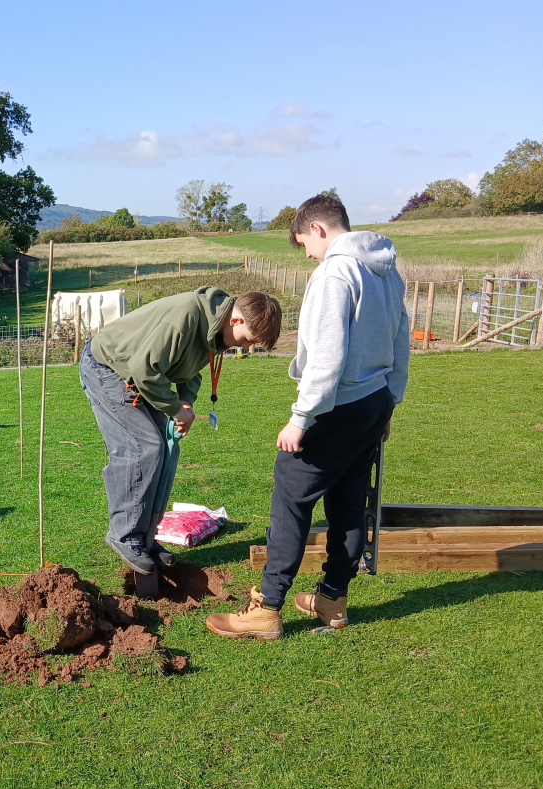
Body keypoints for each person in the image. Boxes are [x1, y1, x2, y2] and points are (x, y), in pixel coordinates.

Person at [206, 194, 410, 640]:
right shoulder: (387, 270)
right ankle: (333, 598)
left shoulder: (335, 273)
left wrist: (301, 417)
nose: (307, 253)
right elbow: (400, 341)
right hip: (373, 401)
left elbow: (326, 356)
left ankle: (267, 607)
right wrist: (389, 402)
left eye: (303, 243)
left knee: (291, 502)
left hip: (336, 405)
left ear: (317, 228)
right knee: (349, 501)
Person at [81, 287, 283, 575]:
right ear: (236, 321)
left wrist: (185, 400)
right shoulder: (186, 316)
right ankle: (124, 535)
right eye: (250, 340)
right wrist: (175, 409)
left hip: (142, 375)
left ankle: (146, 538)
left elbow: (190, 368)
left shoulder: (214, 328)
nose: (248, 348)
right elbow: (144, 369)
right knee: (142, 448)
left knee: (164, 448)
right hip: (108, 368)